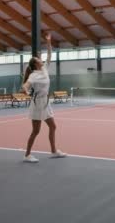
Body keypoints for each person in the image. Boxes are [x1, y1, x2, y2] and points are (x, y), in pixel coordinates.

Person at [22, 34, 67, 163]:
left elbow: (49, 55)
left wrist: (48, 42)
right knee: (36, 131)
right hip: (37, 104)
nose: (41, 60)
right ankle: (27, 155)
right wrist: (25, 89)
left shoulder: (45, 69)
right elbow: (26, 85)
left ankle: (53, 151)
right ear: (36, 65)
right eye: (39, 60)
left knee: (53, 126)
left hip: (46, 103)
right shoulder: (33, 76)